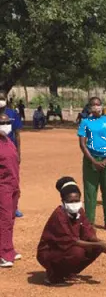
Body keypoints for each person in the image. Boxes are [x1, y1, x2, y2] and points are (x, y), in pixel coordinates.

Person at [37, 177, 106, 285]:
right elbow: (72, 241)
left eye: (77, 200)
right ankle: (54, 276)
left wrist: (101, 243)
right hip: (50, 252)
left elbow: (88, 232)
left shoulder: (80, 211)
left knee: (95, 248)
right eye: (70, 201)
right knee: (78, 252)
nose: (74, 203)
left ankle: (68, 272)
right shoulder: (59, 215)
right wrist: (98, 244)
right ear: (63, 201)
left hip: (69, 248)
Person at [77, 97, 106, 231]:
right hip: (91, 159)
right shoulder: (85, 122)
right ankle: (89, 222)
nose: (96, 107)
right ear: (89, 108)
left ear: (102, 106)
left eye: (98, 104)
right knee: (90, 191)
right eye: (93, 105)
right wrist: (93, 161)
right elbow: (82, 144)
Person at [0, 113, 20, 268]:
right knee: (4, 220)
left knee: (11, 219)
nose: (5, 125)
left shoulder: (8, 140)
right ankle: (3, 253)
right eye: (2, 122)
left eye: (7, 122)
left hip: (13, 185)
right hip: (2, 187)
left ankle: (9, 248)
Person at [0, 92, 23, 219]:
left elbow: (17, 134)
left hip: (10, 151)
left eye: (2, 98)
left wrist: (18, 152)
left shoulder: (13, 114)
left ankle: (14, 207)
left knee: (13, 179)